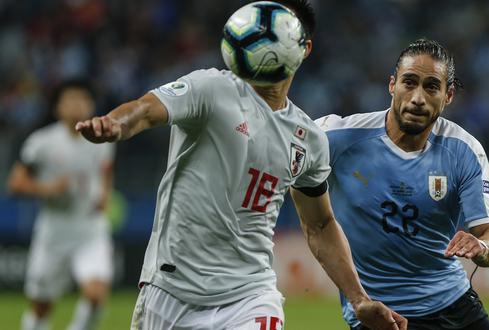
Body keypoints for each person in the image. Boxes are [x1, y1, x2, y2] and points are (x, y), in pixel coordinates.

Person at [75, 1, 407, 329]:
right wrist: (116, 124)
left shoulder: (309, 139)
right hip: (171, 290)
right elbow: (145, 109)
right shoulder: (212, 88)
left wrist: (359, 298)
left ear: (304, 47)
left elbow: (320, 226)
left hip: (250, 295)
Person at [316, 38, 489, 330]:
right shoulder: (337, 138)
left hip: (453, 308)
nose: (418, 97)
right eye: (409, 82)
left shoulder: (464, 150)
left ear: (448, 95)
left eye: (431, 86)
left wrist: (480, 245)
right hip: (378, 315)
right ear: (392, 85)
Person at [7, 79, 115, 330]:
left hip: (90, 229)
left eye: (82, 99)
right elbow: (15, 183)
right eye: (70, 99)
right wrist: (49, 188)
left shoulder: (103, 138)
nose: (77, 104)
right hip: (54, 230)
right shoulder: (41, 143)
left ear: (90, 104)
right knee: (42, 306)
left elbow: (107, 170)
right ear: (58, 107)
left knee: (96, 295)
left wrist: (105, 195)